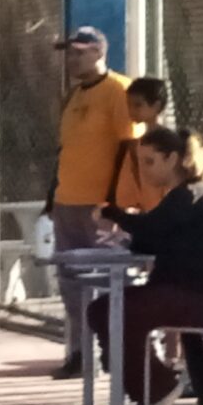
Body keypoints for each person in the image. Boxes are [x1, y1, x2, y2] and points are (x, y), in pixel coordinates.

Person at [91, 127, 203, 405]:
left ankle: (157, 389)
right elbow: (154, 239)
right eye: (141, 162)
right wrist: (126, 236)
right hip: (186, 292)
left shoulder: (191, 194)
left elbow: (150, 228)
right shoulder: (181, 196)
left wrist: (112, 213)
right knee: (104, 309)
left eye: (150, 161)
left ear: (173, 159)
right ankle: (150, 387)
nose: (144, 170)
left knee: (115, 311)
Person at [47, 26, 141, 379]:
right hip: (67, 202)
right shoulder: (72, 96)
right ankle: (79, 353)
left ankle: (120, 352)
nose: (72, 60)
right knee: (71, 283)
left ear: (99, 52)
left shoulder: (119, 90)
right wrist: (52, 195)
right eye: (69, 54)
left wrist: (116, 203)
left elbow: (129, 147)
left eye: (79, 53)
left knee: (110, 281)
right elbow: (66, 151)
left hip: (100, 206)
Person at [113, 76, 172, 213]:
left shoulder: (171, 143)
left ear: (156, 106)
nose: (131, 110)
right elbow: (127, 188)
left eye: (138, 105)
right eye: (129, 105)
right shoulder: (136, 145)